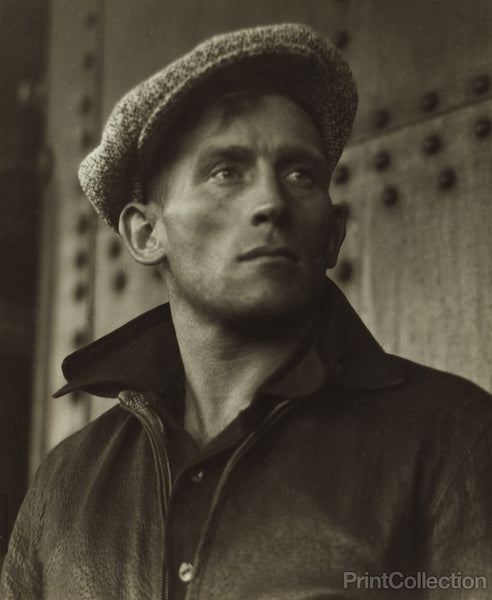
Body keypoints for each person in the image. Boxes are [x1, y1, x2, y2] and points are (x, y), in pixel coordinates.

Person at [1, 23, 491, 600]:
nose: (271, 202)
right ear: (146, 232)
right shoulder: (65, 484)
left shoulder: (456, 437)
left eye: (300, 174)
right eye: (226, 171)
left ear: (333, 235)